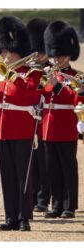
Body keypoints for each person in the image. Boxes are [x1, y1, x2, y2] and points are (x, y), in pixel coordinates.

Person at [0, 16, 43, 231]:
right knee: (7, 175)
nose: (4, 56)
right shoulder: (2, 74)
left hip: (22, 129)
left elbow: (26, 94)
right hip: (2, 129)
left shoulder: (32, 71)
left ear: (17, 51)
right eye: (2, 52)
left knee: (23, 175)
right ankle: (11, 217)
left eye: (7, 52)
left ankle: (24, 217)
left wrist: (11, 76)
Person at [42, 20, 84, 219]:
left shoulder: (76, 77)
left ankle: (69, 206)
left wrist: (56, 86)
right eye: (55, 54)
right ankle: (56, 204)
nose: (57, 58)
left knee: (68, 167)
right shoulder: (49, 74)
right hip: (48, 126)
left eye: (60, 54)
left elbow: (76, 99)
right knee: (52, 169)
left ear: (69, 54)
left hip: (65, 127)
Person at [26, 18, 51, 213]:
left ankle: (43, 198)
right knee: (30, 161)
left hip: (45, 121)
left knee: (44, 161)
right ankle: (32, 196)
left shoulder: (51, 70)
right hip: (28, 119)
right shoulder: (29, 69)